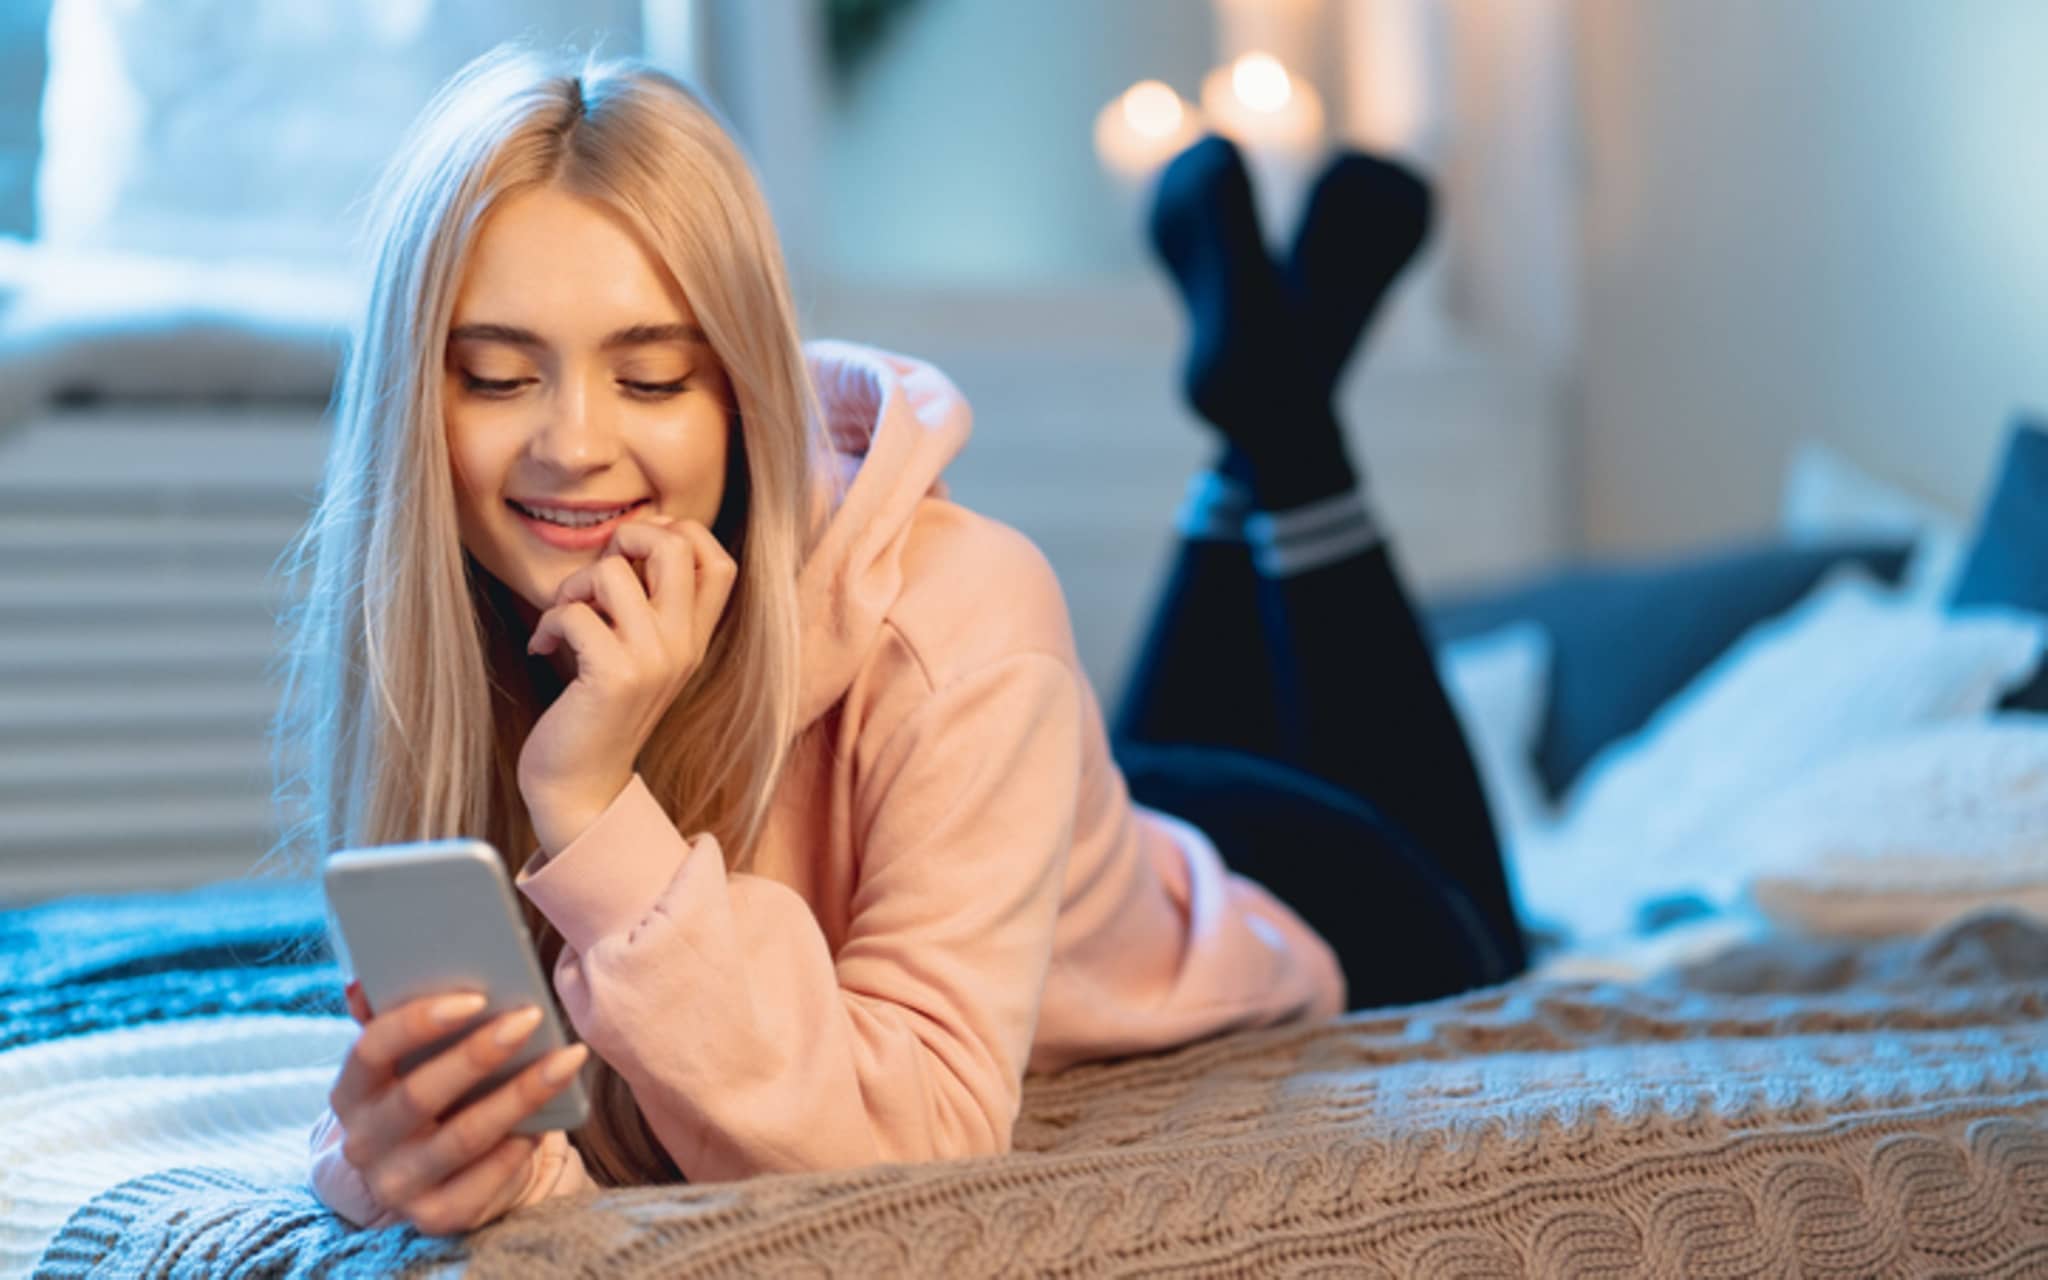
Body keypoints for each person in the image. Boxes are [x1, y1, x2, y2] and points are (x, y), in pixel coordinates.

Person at [289, 46, 1525, 1237]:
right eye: (498, 378)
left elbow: (913, 1147)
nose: (569, 443)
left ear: (738, 392)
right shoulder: (451, 617)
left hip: (1327, 897)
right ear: (417, 402)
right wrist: (392, 1149)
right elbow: (534, 1116)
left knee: (1476, 901)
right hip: (1065, 835)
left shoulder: (964, 614)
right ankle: (1267, 396)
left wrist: (593, 800)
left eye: (652, 379)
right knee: (1094, 740)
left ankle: (1281, 416)